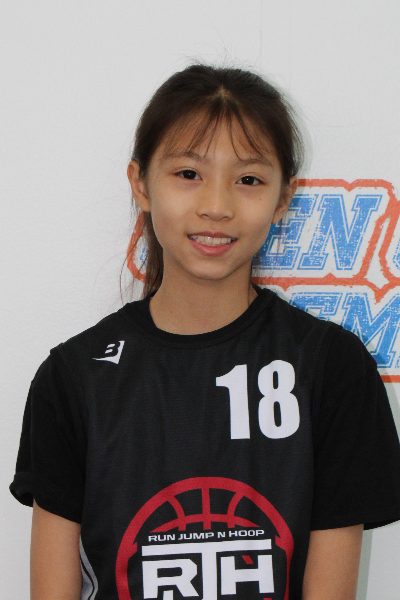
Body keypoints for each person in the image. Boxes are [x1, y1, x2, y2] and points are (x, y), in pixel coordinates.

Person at [9, 62, 400, 600]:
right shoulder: (73, 378)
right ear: (141, 183)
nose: (216, 207)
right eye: (189, 174)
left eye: (248, 180)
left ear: (283, 199)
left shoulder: (332, 368)